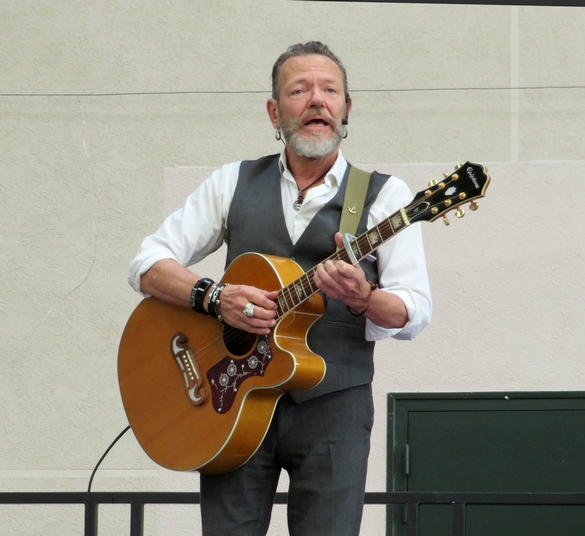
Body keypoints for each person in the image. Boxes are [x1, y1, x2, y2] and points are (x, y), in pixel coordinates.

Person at [128, 41, 432, 536]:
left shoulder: (386, 197)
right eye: (300, 90)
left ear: (346, 108)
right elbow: (147, 264)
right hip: (233, 403)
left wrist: (364, 297)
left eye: (330, 90)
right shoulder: (233, 182)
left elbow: (413, 311)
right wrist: (213, 296)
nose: (317, 100)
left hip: (334, 406)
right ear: (275, 110)